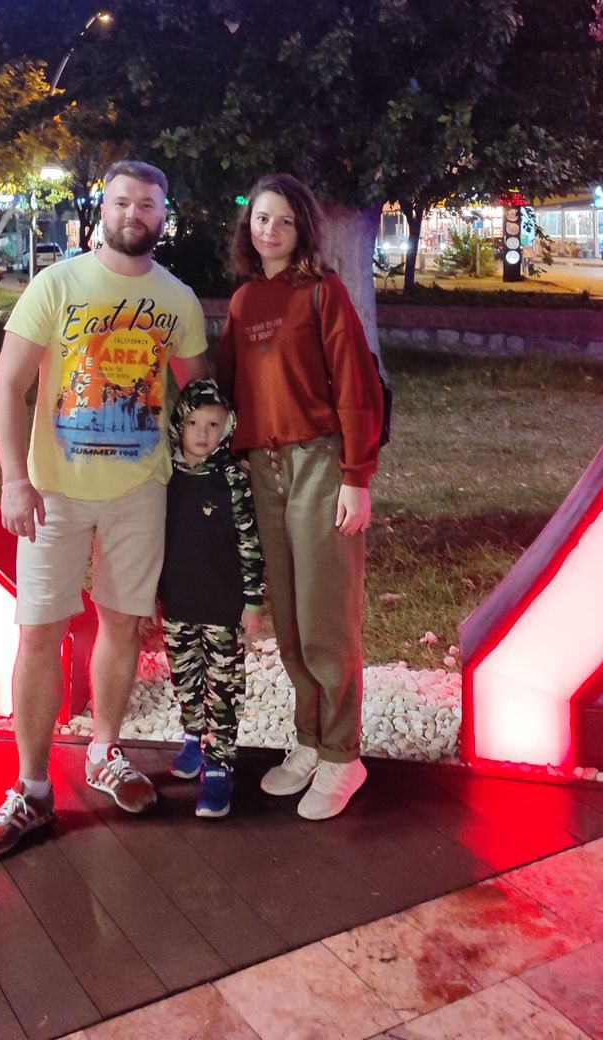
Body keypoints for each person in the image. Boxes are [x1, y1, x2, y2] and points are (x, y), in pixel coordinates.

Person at [0, 160, 209, 859]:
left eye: (149, 204)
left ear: (163, 215)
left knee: (122, 624)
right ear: (102, 209)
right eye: (123, 201)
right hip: (55, 492)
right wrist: (14, 481)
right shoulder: (58, 284)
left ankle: (105, 751)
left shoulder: (177, 300)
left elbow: (199, 398)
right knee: (40, 632)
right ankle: (32, 788)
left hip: (140, 491)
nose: (135, 214)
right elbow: (7, 385)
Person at [216, 174, 383, 821]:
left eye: (285, 220)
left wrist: (356, 477)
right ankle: (310, 741)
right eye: (262, 218)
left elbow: (356, 386)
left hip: (318, 464)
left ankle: (344, 755)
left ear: (302, 229)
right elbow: (229, 391)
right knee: (288, 619)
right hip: (263, 470)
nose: (272, 230)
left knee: (324, 618)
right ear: (248, 226)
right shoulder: (243, 301)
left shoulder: (323, 292)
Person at [158, 377, 264, 819]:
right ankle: (192, 738)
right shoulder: (164, 477)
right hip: (177, 602)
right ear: (178, 425)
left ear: (228, 428)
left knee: (223, 687)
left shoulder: (234, 480)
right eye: (193, 423)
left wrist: (253, 603)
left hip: (223, 607)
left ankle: (219, 764)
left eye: (213, 424)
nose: (202, 433)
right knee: (185, 677)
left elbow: (250, 543)